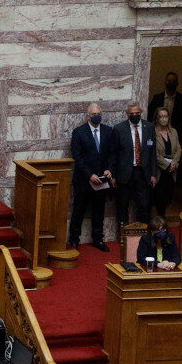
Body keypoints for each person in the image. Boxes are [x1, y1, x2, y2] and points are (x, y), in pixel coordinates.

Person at [67, 103, 115, 252]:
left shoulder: (108, 131)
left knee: (99, 211)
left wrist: (109, 169)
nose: (97, 116)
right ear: (88, 116)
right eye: (94, 114)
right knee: (79, 210)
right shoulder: (79, 132)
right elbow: (77, 156)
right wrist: (89, 175)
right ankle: (74, 240)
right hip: (84, 180)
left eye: (99, 113)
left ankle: (98, 239)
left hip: (102, 180)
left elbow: (113, 154)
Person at [111, 101, 157, 226]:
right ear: (127, 114)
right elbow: (114, 154)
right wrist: (113, 175)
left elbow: (153, 153)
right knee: (122, 205)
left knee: (144, 205)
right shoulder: (119, 129)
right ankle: (123, 233)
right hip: (124, 174)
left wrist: (153, 174)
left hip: (143, 173)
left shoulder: (149, 127)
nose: (135, 115)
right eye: (132, 113)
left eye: (137, 113)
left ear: (141, 112)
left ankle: (142, 233)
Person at [152, 107, 182, 216]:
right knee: (159, 199)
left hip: (171, 171)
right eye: (161, 116)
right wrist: (168, 165)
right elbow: (154, 154)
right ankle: (160, 221)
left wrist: (174, 163)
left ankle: (162, 219)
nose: (163, 118)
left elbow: (178, 149)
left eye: (165, 116)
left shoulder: (173, 131)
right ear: (156, 118)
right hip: (159, 171)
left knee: (167, 198)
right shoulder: (152, 132)